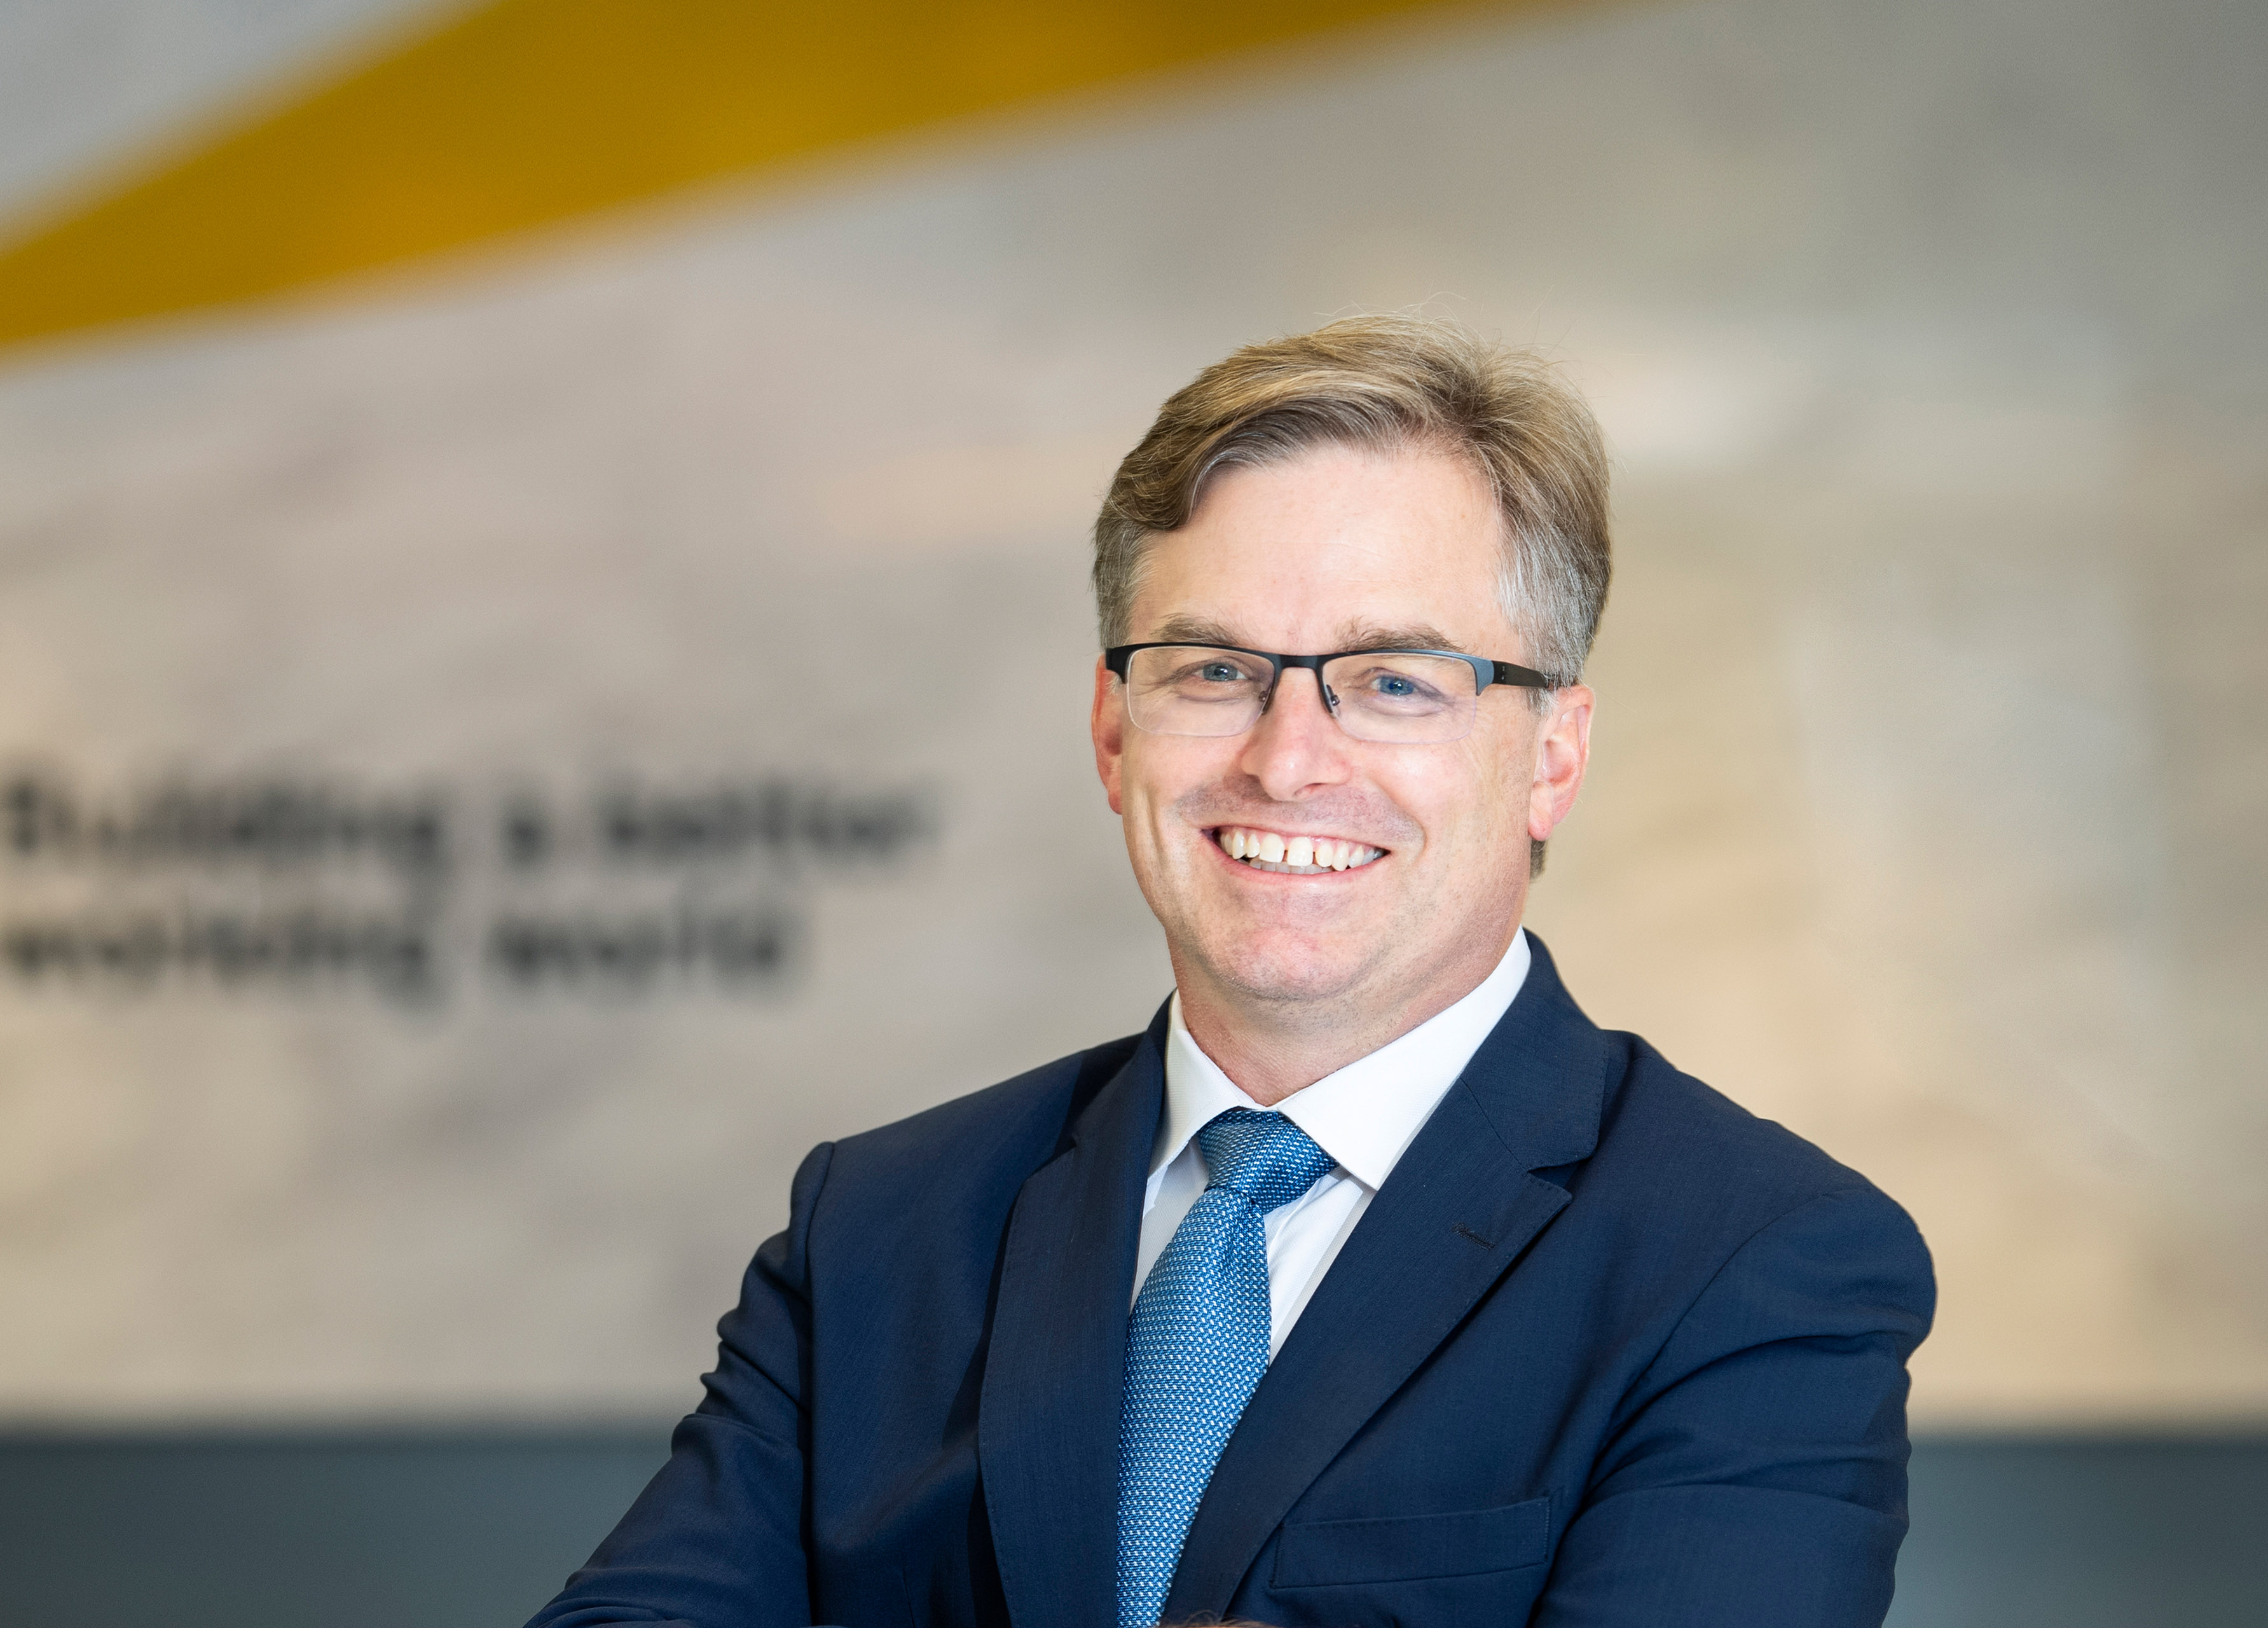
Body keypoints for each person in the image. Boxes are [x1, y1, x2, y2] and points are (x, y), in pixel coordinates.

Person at [529, 314, 1935, 1628]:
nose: (1287, 758)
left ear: (1551, 757)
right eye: (1211, 670)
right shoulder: (880, 1227)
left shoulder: (1755, 1261)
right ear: (1113, 730)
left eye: (1394, 680)